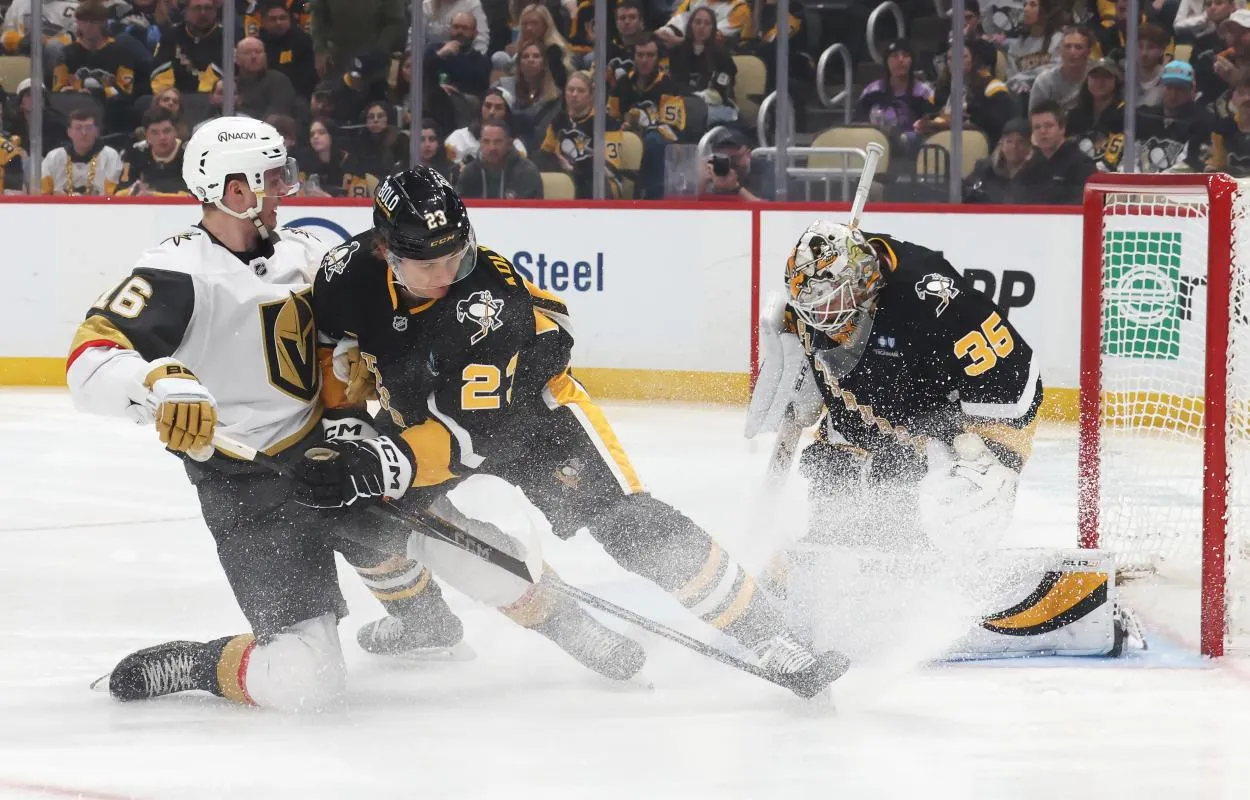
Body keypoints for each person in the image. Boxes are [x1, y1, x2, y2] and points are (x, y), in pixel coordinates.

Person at [66, 117, 634, 710]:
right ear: (234, 189)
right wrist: (158, 381)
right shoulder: (177, 273)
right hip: (249, 487)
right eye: (271, 178)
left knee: (468, 548)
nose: (284, 187)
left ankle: (563, 626)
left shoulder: (307, 251)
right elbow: (89, 360)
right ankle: (201, 663)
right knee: (304, 682)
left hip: (335, 449)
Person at [302, 166, 851, 698]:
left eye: (456, 254)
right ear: (385, 252)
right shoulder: (345, 273)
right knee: (354, 515)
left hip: (538, 419)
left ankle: (773, 637)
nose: (447, 274)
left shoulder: (489, 306)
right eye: (429, 264)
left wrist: (378, 462)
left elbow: (467, 439)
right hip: (424, 415)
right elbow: (328, 349)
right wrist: (347, 427)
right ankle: (441, 623)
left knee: (632, 526)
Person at [746, 218, 1043, 571]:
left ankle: (938, 579)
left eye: (830, 303)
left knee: (932, 497)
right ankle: (825, 569)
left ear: (862, 281)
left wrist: (997, 456)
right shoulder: (827, 301)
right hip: (870, 408)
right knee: (830, 473)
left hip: (945, 422)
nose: (819, 318)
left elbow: (1013, 377)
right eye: (811, 308)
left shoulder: (933, 299)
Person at [54, 0, 149, 136]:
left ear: (103, 23)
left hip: (112, 111)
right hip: (75, 109)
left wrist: (100, 93)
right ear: (78, 23)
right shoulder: (66, 53)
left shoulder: (121, 51)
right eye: (84, 21)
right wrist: (75, 92)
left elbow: (126, 91)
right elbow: (58, 89)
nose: (89, 26)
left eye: (94, 22)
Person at [609, 33, 687, 198]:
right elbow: (611, 118)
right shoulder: (622, 85)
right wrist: (621, 127)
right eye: (640, 55)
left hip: (658, 143)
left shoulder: (668, 86)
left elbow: (673, 129)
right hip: (627, 141)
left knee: (653, 141)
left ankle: (649, 199)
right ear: (634, 57)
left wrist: (643, 131)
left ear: (658, 58)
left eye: (650, 55)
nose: (645, 60)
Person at [539, 70, 623, 198]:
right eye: (570, 90)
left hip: (600, 182)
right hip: (565, 177)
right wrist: (557, 163)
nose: (574, 94)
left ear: (590, 95)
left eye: (581, 91)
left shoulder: (607, 122)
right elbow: (545, 154)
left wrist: (574, 169)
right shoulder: (558, 120)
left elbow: (610, 167)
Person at [857, 39, 935, 156]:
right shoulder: (871, 92)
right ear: (886, 62)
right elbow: (858, 122)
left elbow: (932, 126)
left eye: (905, 55)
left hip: (913, 154)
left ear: (912, 61)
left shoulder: (924, 92)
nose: (900, 60)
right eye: (894, 56)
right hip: (874, 150)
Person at [1135, 60, 1214, 171]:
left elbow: (1192, 164)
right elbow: (1130, 154)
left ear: (1192, 90)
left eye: (1180, 88)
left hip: (1176, 185)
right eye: (1169, 87)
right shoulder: (1144, 115)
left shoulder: (1203, 121)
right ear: (1162, 88)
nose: (1173, 94)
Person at [668, 6, 738, 125]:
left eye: (707, 23)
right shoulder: (677, 51)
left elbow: (721, 90)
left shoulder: (722, 55)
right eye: (698, 22)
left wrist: (699, 98)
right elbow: (676, 83)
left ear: (713, 28)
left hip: (715, 106)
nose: (701, 27)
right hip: (683, 104)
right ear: (690, 25)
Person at [1018, 99, 1097, 203]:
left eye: (1049, 126)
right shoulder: (1030, 166)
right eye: (1037, 127)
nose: (1042, 131)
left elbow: (1083, 205)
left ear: (1062, 128)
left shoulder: (1082, 165)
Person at [40, 110, 123, 195]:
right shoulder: (54, 158)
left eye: (89, 128)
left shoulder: (110, 157)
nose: (84, 133)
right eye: (78, 128)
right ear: (69, 132)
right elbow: (42, 194)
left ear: (96, 132)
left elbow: (115, 195)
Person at [455, 119, 544, 198]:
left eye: (498, 142)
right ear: (480, 143)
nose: (492, 147)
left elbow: (534, 213)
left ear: (509, 144)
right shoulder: (470, 172)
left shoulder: (527, 172)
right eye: (486, 141)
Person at [151, 0, 224, 95]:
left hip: (210, 99)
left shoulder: (226, 38)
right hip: (175, 99)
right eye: (197, 8)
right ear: (187, 11)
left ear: (215, 11)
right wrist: (168, 97)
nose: (203, 13)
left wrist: (202, 98)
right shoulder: (171, 36)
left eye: (208, 8)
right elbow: (160, 75)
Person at [1066, 57, 1126, 171]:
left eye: (1106, 76)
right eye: (1094, 76)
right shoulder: (1075, 115)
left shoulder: (1124, 113)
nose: (1100, 82)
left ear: (1116, 80)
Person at [116, 106, 188, 195]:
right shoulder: (134, 154)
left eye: (167, 131)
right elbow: (121, 192)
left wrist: (152, 195)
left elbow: (197, 194)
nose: (162, 137)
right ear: (146, 135)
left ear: (176, 132)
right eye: (155, 133)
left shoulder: (191, 154)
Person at [963, 116, 1035, 203]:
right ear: (1001, 143)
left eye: (1021, 142)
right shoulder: (984, 170)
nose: (1014, 147)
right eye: (1009, 141)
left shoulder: (1037, 173)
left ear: (1029, 146)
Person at [447, 86, 528, 163]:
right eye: (487, 106)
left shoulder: (516, 147)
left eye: (498, 107)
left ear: (506, 113)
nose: (491, 112)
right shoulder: (459, 137)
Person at [296, 117, 373, 196]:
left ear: (332, 135)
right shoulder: (305, 167)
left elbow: (357, 205)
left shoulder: (351, 164)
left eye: (322, 132)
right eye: (312, 134)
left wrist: (327, 199)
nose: (315, 137)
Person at [259, 0, 318, 99]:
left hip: (296, 95)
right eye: (273, 19)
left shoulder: (302, 41)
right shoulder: (259, 43)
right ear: (264, 21)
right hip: (264, 94)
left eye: (283, 18)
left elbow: (308, 76)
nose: (278, 23)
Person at [1003, 0, 1063, 95]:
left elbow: (1056, 74)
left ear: (1046, 9)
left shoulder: (1058, 40)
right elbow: (1012, 80)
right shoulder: (1016, 47)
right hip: (1023, 98)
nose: (1026, 9)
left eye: (1033, 5)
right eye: (1025, 4)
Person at [1029, 25, 1094, 114]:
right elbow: (1034, 118)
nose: (1072, 52)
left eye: (1078, 47)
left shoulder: (1096, 78)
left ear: (1088, 52)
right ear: (1061, 50)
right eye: (1067, 46)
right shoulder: (1044, 81)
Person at [234, 36, 300, 120]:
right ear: (236, 58)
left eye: (258, 52)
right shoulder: (230, 84)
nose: (254, 57)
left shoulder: (278, 81)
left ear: (265, 56)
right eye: (247, 53)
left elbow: (277, 114)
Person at [428, 11, 492, 98]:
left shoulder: (481, 61)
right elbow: (421, 71)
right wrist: (440, 54)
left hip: (462, 102)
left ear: (475, 33)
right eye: (456, 27)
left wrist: (455, 90)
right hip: (432, 97)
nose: (459, 31)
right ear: (450, 29)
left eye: (465, 28)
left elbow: (480, 92)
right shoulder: (433, 49)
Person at [1206, 72, 1250, 175]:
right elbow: (1215, 165)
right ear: (1232, 98)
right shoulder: (1222, 128)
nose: (1247, 98)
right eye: (1241, 93)